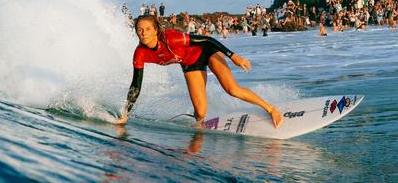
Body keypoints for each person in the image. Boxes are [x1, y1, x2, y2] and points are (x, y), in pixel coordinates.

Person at [116, 15, 283, 129]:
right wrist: (126, 113)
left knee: (232, 89)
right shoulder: (140, 53)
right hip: (190, 64)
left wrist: (233, 56)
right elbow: (135, 86)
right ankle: (200, 132)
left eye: (147, 29)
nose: (143, 33)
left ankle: (270, 108)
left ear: (156, 30)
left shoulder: (171, 38)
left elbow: (207, 39)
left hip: (207, 52)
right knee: (201, 113)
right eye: (139, 29)